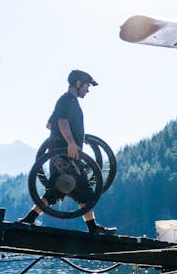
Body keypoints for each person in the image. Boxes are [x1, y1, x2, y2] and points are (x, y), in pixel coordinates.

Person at [19, 70, 115, 235]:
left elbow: (50, 124)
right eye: (87, 85)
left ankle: (28, 219)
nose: (88, 90)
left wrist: (74, 137)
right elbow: (61, 121)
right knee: (85, 191)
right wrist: (71, 142)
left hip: (57, 154)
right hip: (67, 155)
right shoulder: (68, 100)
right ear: (78, 83)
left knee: (58, 189)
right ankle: (93, 229)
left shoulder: (65, 101)